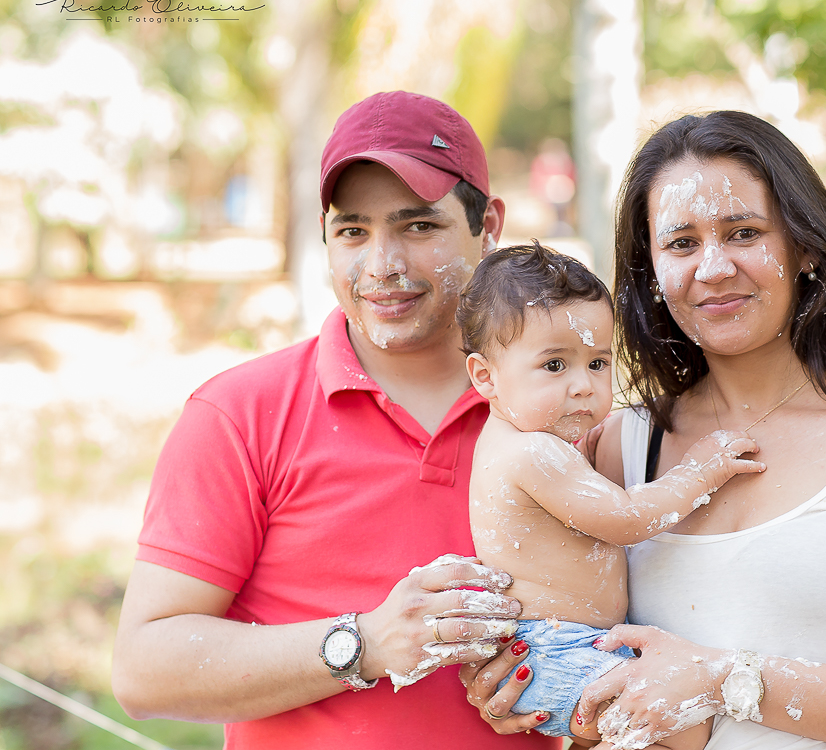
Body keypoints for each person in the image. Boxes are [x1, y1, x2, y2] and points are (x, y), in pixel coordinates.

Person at [463, 111, 826, 750]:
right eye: (681, 244)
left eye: (743, 232)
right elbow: (590, 673)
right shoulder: (618, 442)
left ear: (804, 247)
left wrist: (724, 679)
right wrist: (525, 683)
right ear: (652, 272)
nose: (712, 268)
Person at [111, 91, 556, 749]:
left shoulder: (561, 407)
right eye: (353, 231)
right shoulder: (240, 415)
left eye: (418, 227)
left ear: (488, 224)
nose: (382, 266)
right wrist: (362, 644)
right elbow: (144, 669)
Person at [457, 242, 764, 746]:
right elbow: (625, 519)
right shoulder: (533, 452)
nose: (583, 386)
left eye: (598, 363)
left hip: (561, 648)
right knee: (694, 728)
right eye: (555, 365)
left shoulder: (529, 443)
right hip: (554, 649)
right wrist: (699, 472)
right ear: (485, 376)